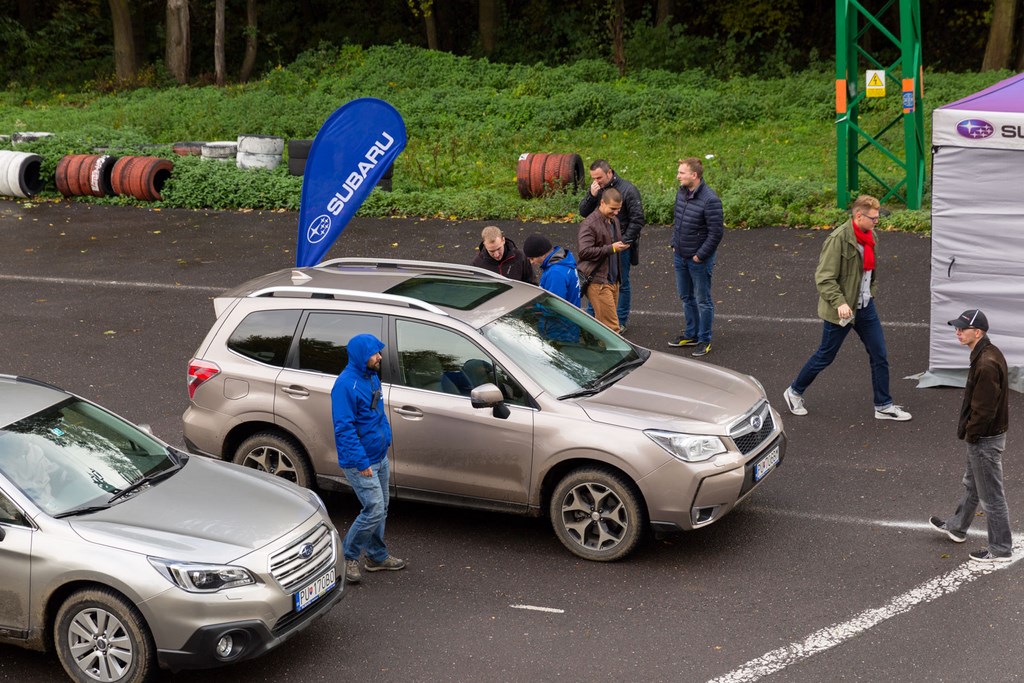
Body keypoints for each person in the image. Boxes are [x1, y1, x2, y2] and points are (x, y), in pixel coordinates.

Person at [782, 194, 912, 422]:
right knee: (825, 355)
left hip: (864, 306)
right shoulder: (839, 239)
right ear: (858, 215)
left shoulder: (871, 236)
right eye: (873, 217)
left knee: (879, 354)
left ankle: (883, 405)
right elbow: (824, 278)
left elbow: (870, 273)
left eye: (878, 216)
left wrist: (870, 292)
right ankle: (794, 392)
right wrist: (840, 302)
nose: (877, 221)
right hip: (841, 310)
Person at [929, 309, 1012, 564]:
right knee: (974, 484)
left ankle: (1000, 548)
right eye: (957, 327)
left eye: (962, 329)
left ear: (978, 332)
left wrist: (971, 434)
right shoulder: (987, 353)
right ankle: (957, 526)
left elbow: (984, 409)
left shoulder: (986, 363)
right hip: (986, 437)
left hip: (984, 439)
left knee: (992, 497)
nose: (957, 331)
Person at [331, 333, 406, 584]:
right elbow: (344, 429)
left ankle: (376, 556)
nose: (380, 357)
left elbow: (376, 414)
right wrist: (361, 462)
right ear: (363, 356)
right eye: (375, 353)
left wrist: (385, 438)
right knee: (373, 509)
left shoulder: (372, 377)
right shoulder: (345, 386)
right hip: (360, 461)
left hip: (379, 456)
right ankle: (347, 557)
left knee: (382, 508)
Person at [579, 160, 644, 332]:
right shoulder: (596, 190)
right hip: (602, 247)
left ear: (609, 173)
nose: (596, 181)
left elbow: (637, 219)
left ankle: (619, 321)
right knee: (597, 282)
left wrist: (624, 242)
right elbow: (583, 213)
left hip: (620, 247)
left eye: (599, 177)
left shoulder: (628, 190)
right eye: (593, 178)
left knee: (621, 283)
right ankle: (597, 322)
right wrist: (591, 196)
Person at [668, 157, 723, 357]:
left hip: (698, 260)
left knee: (703, 300)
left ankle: (704, 339)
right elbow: (678, 221)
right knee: (686, 297)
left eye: (681, 173)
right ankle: (691, 334)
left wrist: (700, 255)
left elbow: (716, 233)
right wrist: (674, 244)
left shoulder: (710, 199)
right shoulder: (682, 193)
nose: (678, 177)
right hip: (680, 256)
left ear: (694, 175)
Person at [576, 187, 630, 332]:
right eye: (613, 208)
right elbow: (584, 252)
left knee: (605, 328)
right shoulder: (589, 224)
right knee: (612, 329)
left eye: (618, 209)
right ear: (602, 203)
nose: (616, 213)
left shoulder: (613, 221)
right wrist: (611, 248)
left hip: (612, 281)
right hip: (598, 282)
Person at [522, 233, 582, 307]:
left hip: (560, 318)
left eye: (532, 258)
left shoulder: (555, 273)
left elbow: (554, 306)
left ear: (543, 255)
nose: (531, 262)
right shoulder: (563, 262)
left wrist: (533, 308)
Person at [472, 225, 537, 284]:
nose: (496, 255)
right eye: (492, 251)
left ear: (503, 240)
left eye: (499, 249)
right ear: (485, 245)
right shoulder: (477, 264)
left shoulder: (520, 257)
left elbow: (532, 284)